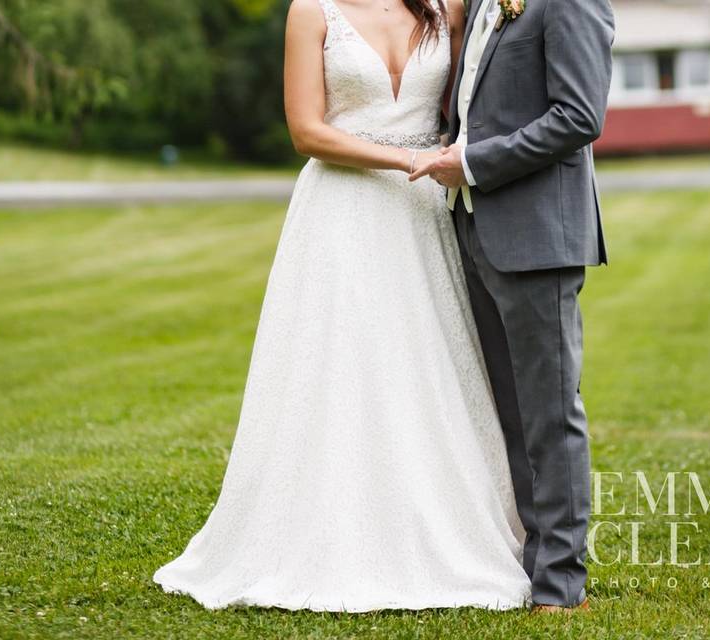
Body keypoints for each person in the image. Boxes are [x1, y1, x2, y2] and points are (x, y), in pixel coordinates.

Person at [153, 0, 532, 611]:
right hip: (342, 212)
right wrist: (407, 158)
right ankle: (335, 534)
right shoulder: (312, 11)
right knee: (341, 369)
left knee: (425, 370)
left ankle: (445, 525)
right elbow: (307, 131)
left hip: (422, 215)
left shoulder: (445, 7)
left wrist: (458, 156)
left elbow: (465, 104)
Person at [410, 0, 614, 612]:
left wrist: (472, 163)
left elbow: (579, 116)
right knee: (511, 416)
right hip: (473, 228)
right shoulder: (477, 4)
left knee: (550, 413)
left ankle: (560, 584)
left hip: (537, 235)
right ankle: (529, 560)